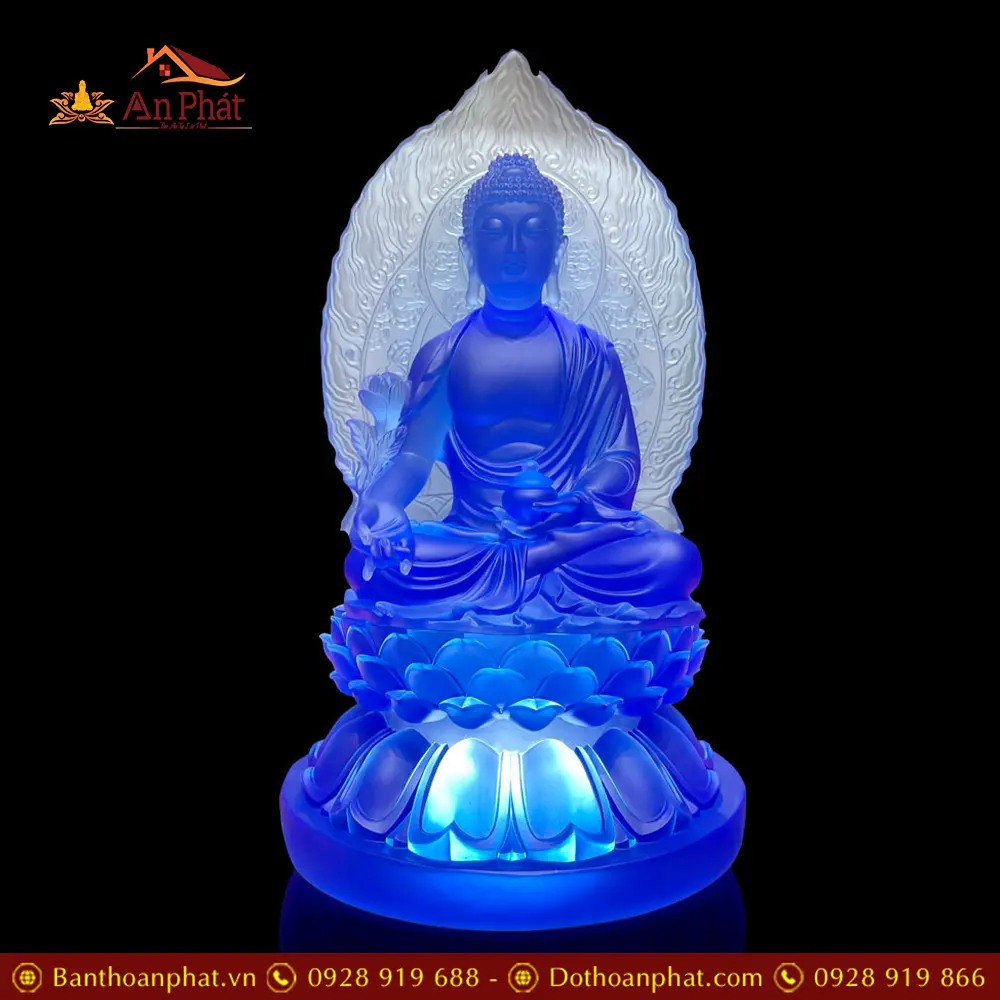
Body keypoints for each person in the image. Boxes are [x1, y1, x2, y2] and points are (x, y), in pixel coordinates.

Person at [344, 154, 700, 619]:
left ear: (558, 249)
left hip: (567, 534)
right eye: (494, 231)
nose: (514, 247)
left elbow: (620, 459)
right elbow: (412, 459)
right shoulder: (442, 355)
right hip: (476, 535)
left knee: (674, 559)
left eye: (533, 230)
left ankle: (530, 563)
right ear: (468, 249)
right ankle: (533, 565)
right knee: (370, 563)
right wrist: (381, 502)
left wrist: (576, 503)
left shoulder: (592, 353)